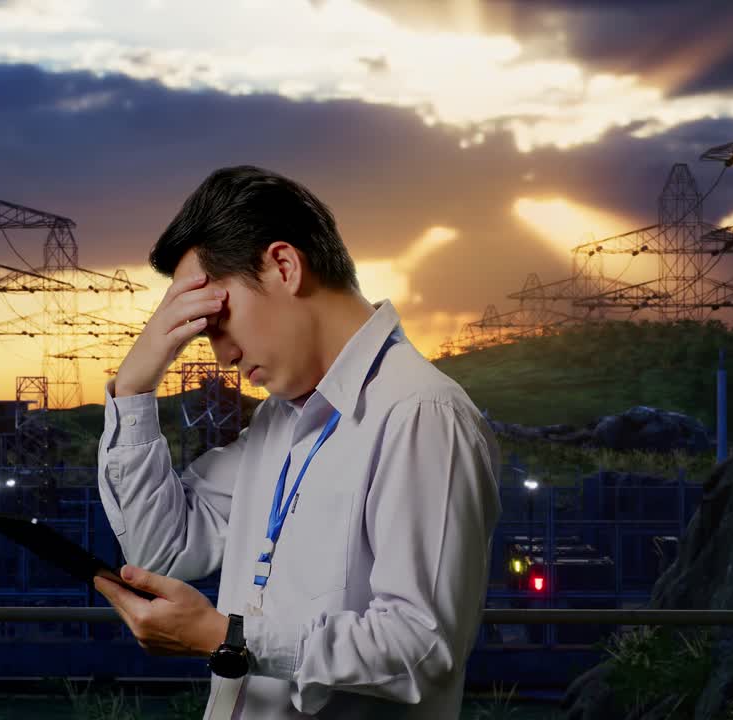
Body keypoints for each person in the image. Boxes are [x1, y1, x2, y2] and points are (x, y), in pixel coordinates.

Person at [94, 165, 502, 719]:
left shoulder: (421, 413)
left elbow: (420, 648)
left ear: (284, 266)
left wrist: (229, 638)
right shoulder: (279, 423)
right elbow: (163, 551)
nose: (222, 355)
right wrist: (134, 389)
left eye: (217, 318)